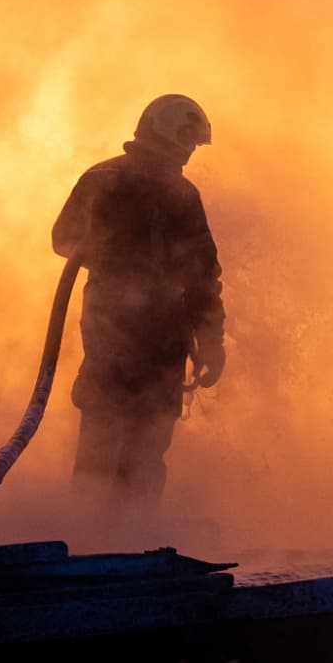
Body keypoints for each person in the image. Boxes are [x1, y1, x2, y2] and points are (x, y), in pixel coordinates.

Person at [52, 94, 226, 505]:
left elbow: (202, 275)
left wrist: (212, 339)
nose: (188, 151)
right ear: (166, 129)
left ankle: (129, 536)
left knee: (145, 443)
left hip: (159, 335)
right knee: (105, 430)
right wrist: (112, 254)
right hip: (115, 326)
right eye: (187, 138)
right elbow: (63, 239)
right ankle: (91, 537)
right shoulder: (105, 179)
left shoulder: (182, 193)